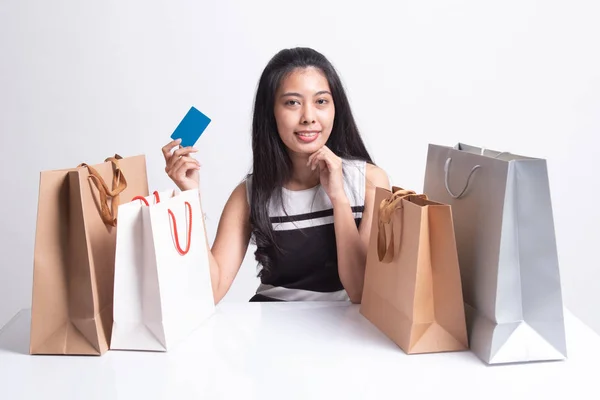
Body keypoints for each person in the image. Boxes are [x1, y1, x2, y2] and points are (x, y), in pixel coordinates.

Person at [162, 47, 390, 304]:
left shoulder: (370, 182)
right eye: (292, 103)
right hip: (270, 332)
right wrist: (190, 195)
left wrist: (338, 197)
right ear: (271, 112)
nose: (308, 117)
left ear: (337, 108)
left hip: (344, 334)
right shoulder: (250, 194)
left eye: (321, 101)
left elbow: (360, 291)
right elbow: (211, 291)